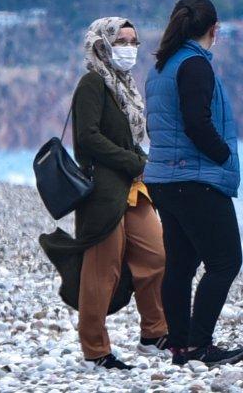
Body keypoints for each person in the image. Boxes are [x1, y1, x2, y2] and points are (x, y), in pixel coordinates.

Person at [40, 18, 168, 370]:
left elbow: (129, 138)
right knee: (101, 271)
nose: (129, 47)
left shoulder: (124, 86)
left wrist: (140, 161)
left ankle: (153, 333)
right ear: (102, 44)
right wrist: (133, 161)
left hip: (132, 188)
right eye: (121, 40)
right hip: (103, 192)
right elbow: (89, 139)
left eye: (134, 41)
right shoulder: (92, 83)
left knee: (155, 255)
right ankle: (95, 350)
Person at [144, 0, 243, 368]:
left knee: (182, 265)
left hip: (163, 178)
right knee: (225, 262)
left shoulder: (160, 67)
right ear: (213, 28)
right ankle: (200, 345)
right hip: (195, 177)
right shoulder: (195, 66)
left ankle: (180, 347)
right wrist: (222, 155)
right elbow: (196, 122)